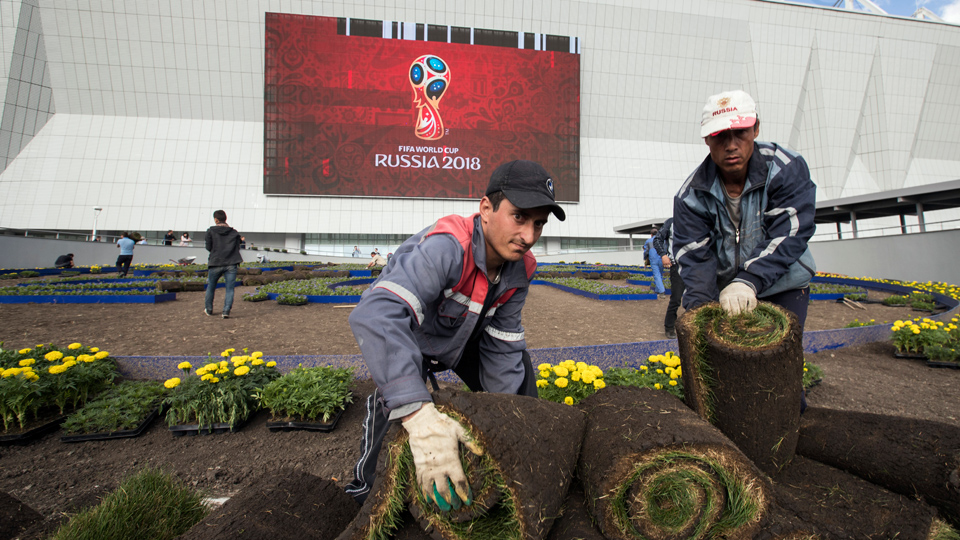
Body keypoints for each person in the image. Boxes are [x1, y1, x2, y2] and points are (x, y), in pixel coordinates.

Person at [345, 159, 566, 508]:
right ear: (486, 209)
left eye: (539, 224)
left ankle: (512, 463)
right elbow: (376, 314)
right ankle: (364, 490)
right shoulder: (447, 246)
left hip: (464, 340)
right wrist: (419, 415)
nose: (529, 236)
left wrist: (505, 421)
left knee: (519, 376)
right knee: (400, 407)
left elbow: (502, 343)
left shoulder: (521, 268)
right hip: (411, 339)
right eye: (520, 217)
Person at [673, 89, 816, 327]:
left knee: (779, 358)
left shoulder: (785, 169)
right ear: (707, 139)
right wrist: (701, 308)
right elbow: (694, 256)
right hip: (729, 294)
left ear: (756, 129)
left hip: (784, 284)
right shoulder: (691, 196)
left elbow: (789, 233)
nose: (731, 145)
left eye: (740, 133)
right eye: (719, 136)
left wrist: (748, 281)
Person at [204, 210, 243, 319]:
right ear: (225, 219)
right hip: (231, 263)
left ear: (216, 219)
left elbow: (208, 247)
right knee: (230, 288)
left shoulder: (210, 231)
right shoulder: (234, 233)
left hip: (215, 262)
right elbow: (238, 246)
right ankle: (226, 311)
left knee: (211, 286)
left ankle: (209, 309)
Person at [654, 218, 685, 339]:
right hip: (677, 266)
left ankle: (694, 326)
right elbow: (657, 239)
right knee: (676, 298)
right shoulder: (672, 222)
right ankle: (669, 327)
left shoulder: (698, 219)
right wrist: (663, 255)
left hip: (695, 266)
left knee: (697, 297)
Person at [642, 227, 665, 296]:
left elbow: (646, 251)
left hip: (653, 259)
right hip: (661, 258)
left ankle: (661, 291)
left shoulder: (648, 241)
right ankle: (658, 290)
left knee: (656, 275)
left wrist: (645, 259)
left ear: (651, 234)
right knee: (660, 274)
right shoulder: (662, 240)